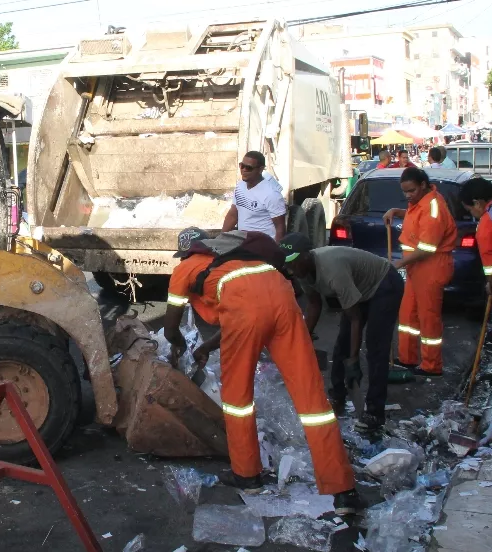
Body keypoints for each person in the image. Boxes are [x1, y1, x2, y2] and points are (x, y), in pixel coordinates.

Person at [163, 227, 362, 515]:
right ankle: (344, 491)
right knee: (312, 400)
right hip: (283, 298)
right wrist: (208, 345)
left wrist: (179, 343)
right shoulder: (236, 259)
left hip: (246, 310)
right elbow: (252, 307)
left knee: (238, 401)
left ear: (187, 252)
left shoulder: (185, 268)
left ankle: (248, 476)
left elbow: (172, 328)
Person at [281, 233, 405, 432]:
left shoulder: (332, 270)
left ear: (305, 256)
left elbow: (355, 317)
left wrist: (354, 360)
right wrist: (303, 339)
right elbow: (314, 304)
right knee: (341, 347)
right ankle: (337, 398)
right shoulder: (301, 271)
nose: (288, 269)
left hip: (384, 283)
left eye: (291, 262)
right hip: (359, 288)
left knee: (375, 348)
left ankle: (374, 412)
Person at [383, 168, 456, 377]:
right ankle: (408, 358)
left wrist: (399, 264)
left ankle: (432, 365)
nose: (408, 195)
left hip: (431, 265)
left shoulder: (434, 208)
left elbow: (427, 249)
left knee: (428, 316)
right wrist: (397, 211)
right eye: (404, 192)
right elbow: (417, 218)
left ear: (423, 185)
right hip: (417, 266)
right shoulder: (421, 202)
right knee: (408, 312)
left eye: (411, 191)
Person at [459, 177, 492, 384]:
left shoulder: (487, 226)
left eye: (470, 209)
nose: (471, 215)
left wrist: (491, 286)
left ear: (478, 203)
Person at [221, 150, 287, 242]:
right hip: (242, 241)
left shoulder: (271, 194)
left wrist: (275, 253)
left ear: (260, 169)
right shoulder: (240, 186)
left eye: (249, 168)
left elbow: (280, 228)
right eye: (242, 166)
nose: (243, 170)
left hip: (262, 244)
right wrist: (221, 238)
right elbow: (233, 214)